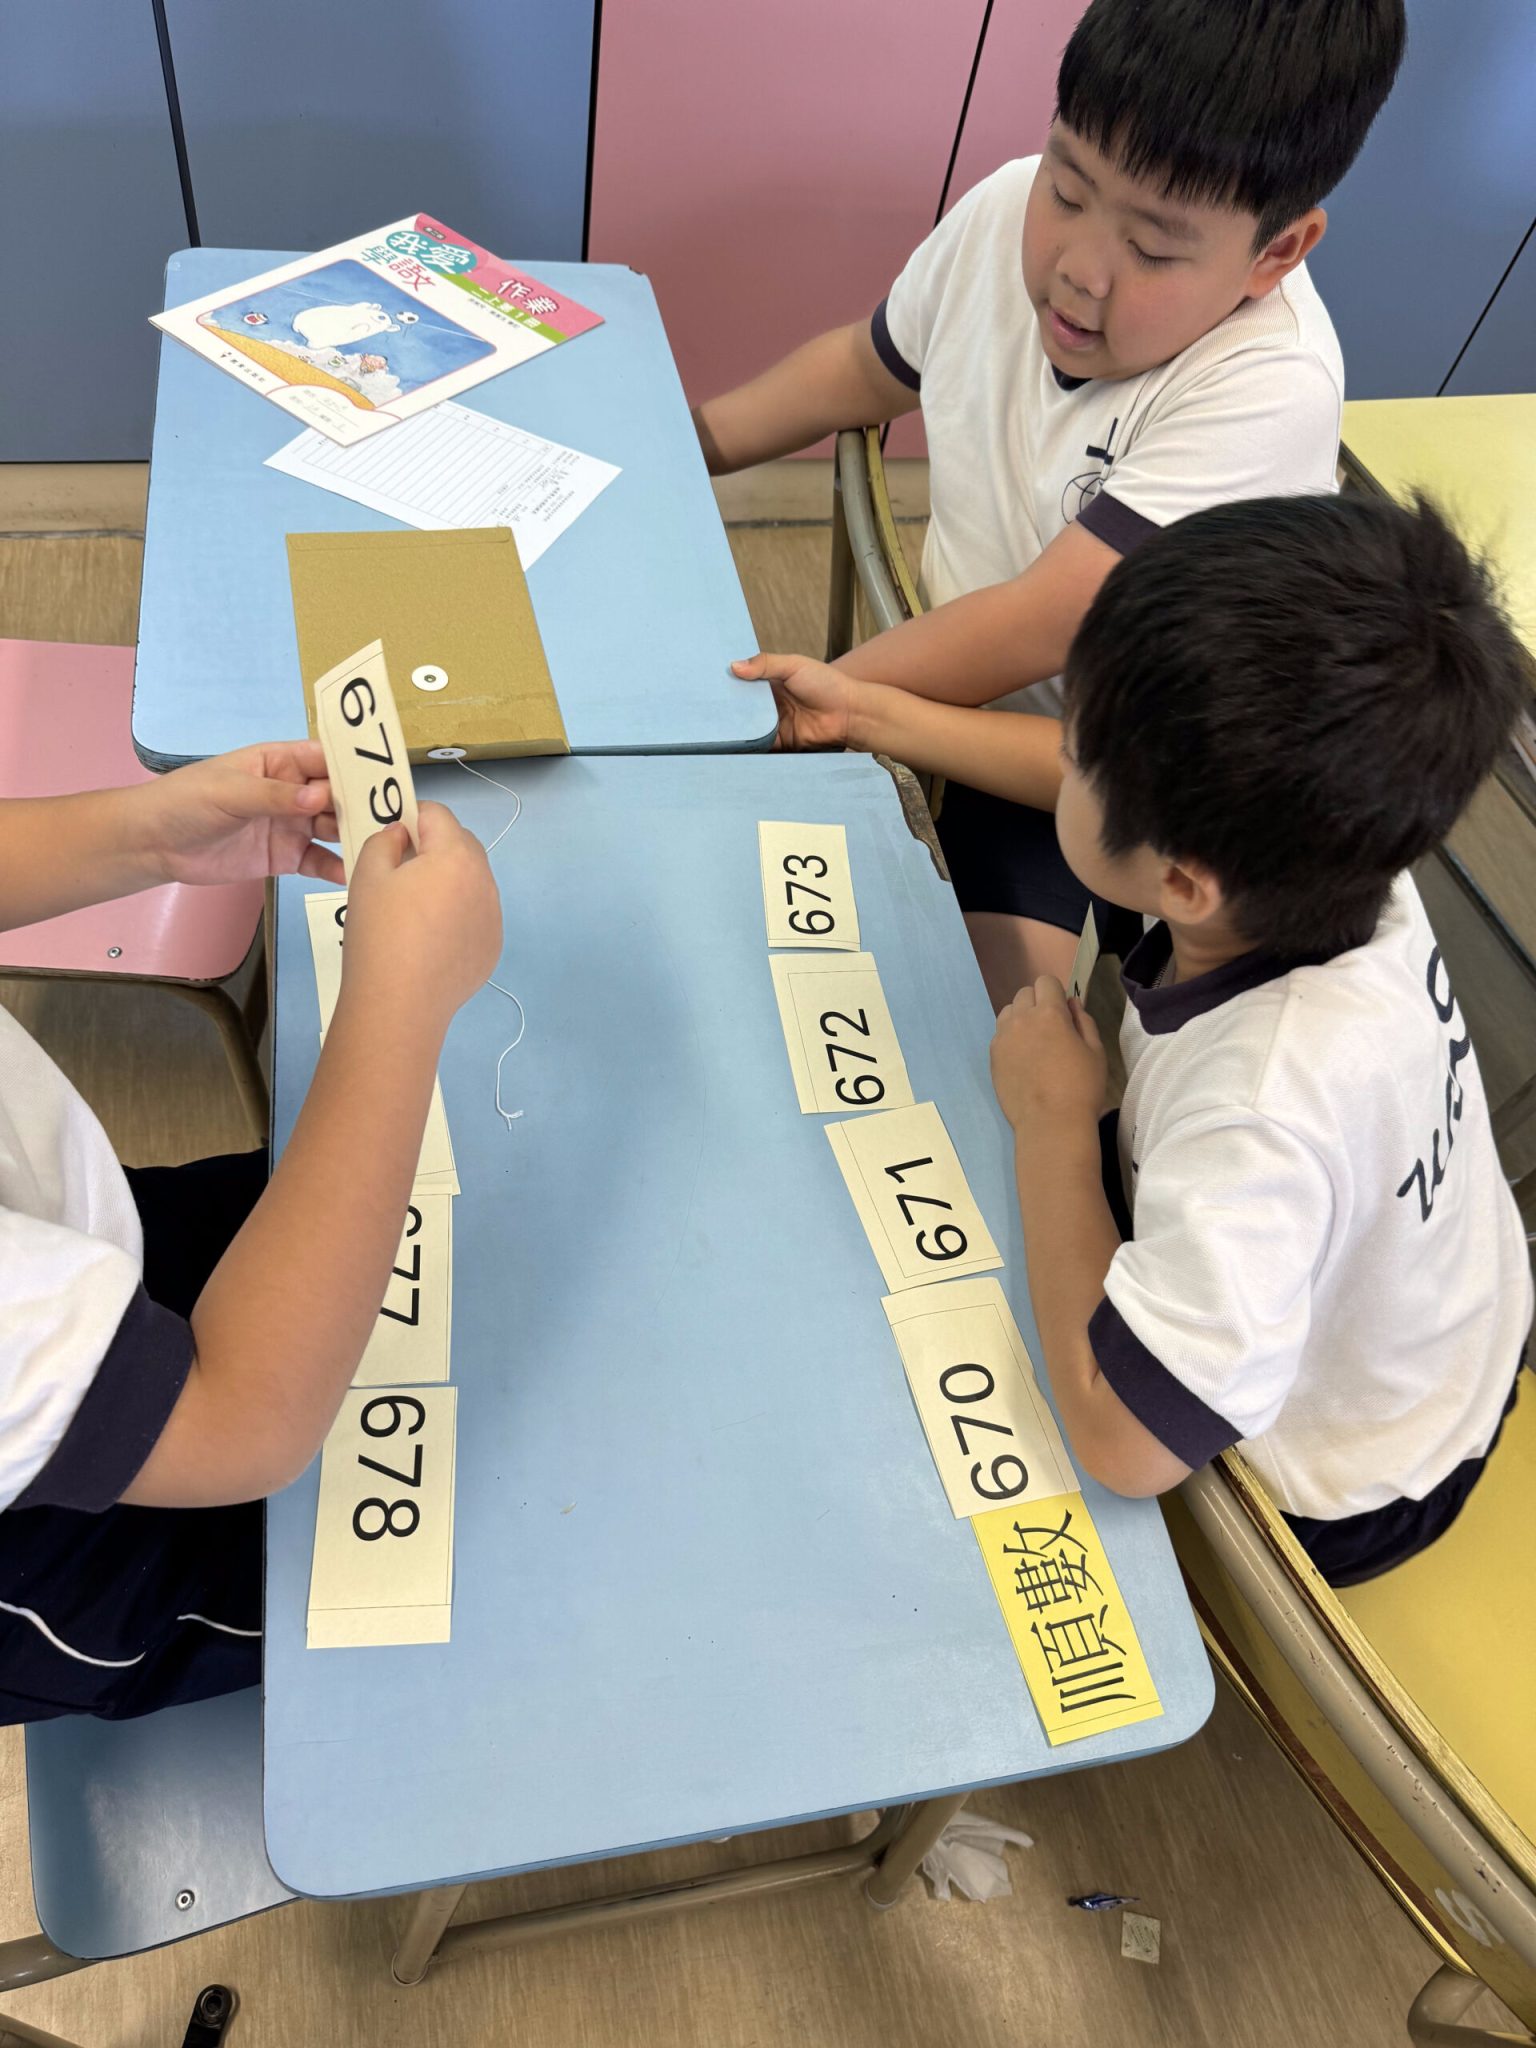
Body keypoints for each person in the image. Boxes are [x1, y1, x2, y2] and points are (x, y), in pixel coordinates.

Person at [708, 0, 1406, 1006]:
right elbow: (867, 366)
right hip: (933, 677)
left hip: (1087, 777)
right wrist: (693, 441)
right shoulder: (1003, 207)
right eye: (1068, 188)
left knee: (953, 1031)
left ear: (1276, 253)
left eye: (1154, 249)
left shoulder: (1269, 388)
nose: (1080, 270)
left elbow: (1038, 625)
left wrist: (816, 712)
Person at [980, 492, 1527, 1586]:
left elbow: (1124, 1445)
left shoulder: (1259, 1110)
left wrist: (1053, 1123)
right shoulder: (1349, 855)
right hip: (1451, 1332)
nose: (1059, 759)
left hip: (1359, 1485)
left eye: (1075, 751)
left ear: (1186, 882)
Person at [0, 743, 501, 1718]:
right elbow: (239, 1426)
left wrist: (143, 836)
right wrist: (400, 1002)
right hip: (76, 1530)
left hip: (71, 1245)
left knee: (441, 1241)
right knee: (475, 1549)